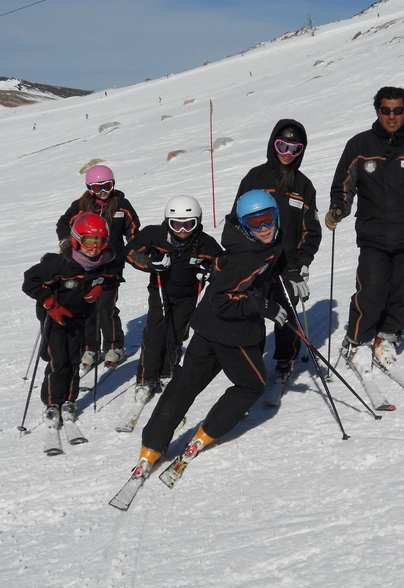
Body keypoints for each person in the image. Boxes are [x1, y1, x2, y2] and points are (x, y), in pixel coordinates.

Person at [132, 190, 287, 483]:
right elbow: (222, 299)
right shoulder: (248, 257)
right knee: (251, 385)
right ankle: (208, 431)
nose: (264, 228)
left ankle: (152, 444)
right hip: (232, 333)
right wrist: (262, 305)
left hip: (205, 326)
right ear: (243, 226)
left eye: (268, 219)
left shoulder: (245, 243)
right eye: (255, 223)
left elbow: (226, 270)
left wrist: (287, 273)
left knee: (185, 383)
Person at [326, 86, 404, 374]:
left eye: (397, 110)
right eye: (385, 110)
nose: (391, 116)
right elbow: (344, 183)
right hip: (373, 234)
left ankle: (387, 337)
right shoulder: (360, 145)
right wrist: (338, 208)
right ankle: (357, 340)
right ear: (377, 111)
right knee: (371, 290)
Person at [235, 119, 321, 382]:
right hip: (256, 263)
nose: (287, 153)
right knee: (254, 313)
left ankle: (286, 358)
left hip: (288, 265)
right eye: (282, 145)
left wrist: (303, 261)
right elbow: (236, 220)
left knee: (287, 315)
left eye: (295, 149)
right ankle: (251, 363)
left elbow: (311, 228)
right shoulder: (255, 177)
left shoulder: (303, 185)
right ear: (273, 144)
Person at [22, 212, 122, 424]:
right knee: (59, 360)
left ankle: (69, 400)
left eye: (100, 241)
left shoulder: (105, 262)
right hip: (54, 318)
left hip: (80, 317)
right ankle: (52, 402)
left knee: (74, 359)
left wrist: (101, 287)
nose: (94, 247)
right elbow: (30, 281)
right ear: (76, 239)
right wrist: (50, 303)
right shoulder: (60, 264)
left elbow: (114, 277)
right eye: (89, 240)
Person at [124, 195, 223, 403]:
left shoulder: (205, 243)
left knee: (177, 333)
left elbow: (222, 265)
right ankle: (146, 378)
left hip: (188, 295)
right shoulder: (155, 235)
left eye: (189, 224)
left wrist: (208, 272)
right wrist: (152, 263)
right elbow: (131, 253)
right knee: (154, 334)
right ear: (168, 222)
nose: (183, 230)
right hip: (161, 291)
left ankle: (168, 372)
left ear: (198, 222)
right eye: (176, 225)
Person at [56, 164, 140, 369]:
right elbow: (63, 225)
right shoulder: (81, 206)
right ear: (89, 188)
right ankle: (89, 348)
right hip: (85, 263)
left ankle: (114, 346)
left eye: (107, 186)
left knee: (106, 305)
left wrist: (135, 250)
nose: (103, 192)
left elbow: (134, 230)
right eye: (97, 188)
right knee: (87, 305)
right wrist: (69, 245)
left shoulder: (121, 205)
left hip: (111, 263)